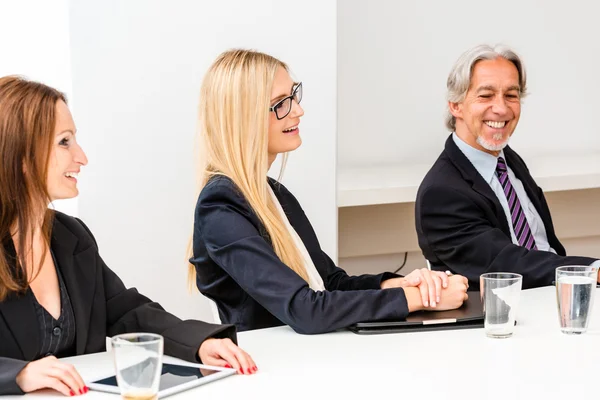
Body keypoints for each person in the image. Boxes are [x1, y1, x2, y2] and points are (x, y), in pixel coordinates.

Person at [0, 76, 256, 397]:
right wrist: (18, 374)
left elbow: (125, 312)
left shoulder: (70, 235)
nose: (82, 157)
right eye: (64, 142)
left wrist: (199, 343)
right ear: (20, 155)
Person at [189, 49, 469, 334]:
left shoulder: (274, 194)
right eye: (280, 104)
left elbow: (330, 282)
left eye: (294, 96)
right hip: (271, 366)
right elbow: (305, 309)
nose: (298, 110)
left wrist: (403, 284)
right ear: (243, 118)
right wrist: (417, 299)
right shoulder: (220, 205)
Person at [415, 44, 600, 290]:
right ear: (455, 105)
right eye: (485, 95)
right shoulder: (440, 193)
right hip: (508, 315)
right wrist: (592, 270)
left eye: (511, 95)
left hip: (556, 295)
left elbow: (544, 246)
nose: (502, 108)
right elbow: (505, 264)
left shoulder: (507, 160)